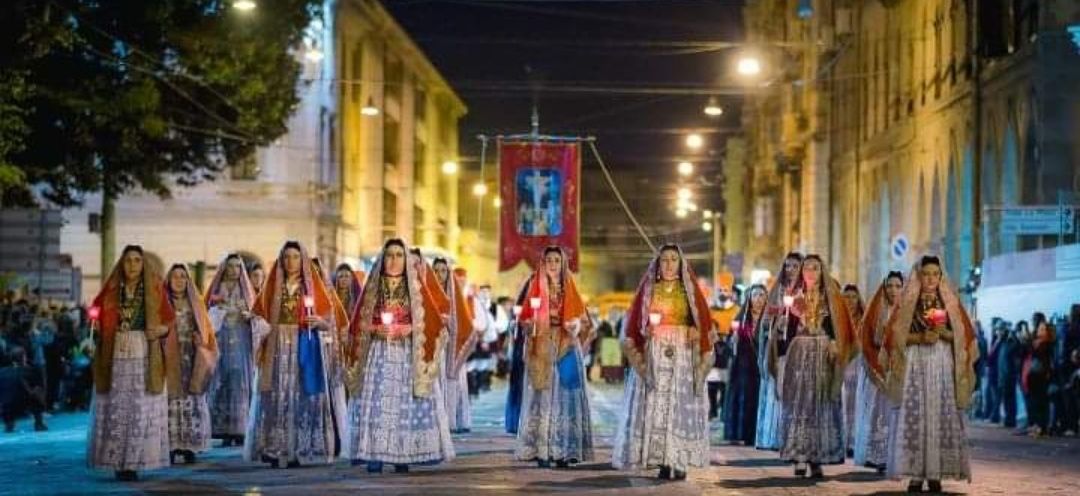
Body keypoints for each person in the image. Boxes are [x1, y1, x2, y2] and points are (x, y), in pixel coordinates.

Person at [345, 239, 455, 473]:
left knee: (405, 404)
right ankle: (373, 453)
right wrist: (375, 329)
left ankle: (402, 454)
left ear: (406, 260)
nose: (394, 260)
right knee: (376, 403)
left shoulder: (415, 288)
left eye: (399, 255)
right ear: (382, 259)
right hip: (378, 353)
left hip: (406, 353)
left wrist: (410, 329)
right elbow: (357, 324)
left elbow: (434, 324)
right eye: (389, 255)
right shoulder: (373, 287)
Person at [612, 245, 716, 479]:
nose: (669, 264)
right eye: (665, 260)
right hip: (655, 352)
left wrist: (695, 331)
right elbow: (635, 324)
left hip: (683, 354)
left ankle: (679, 460)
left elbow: (702, 321)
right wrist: (646, 330)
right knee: (656, 403)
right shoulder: (650, 289)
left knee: (679, 405)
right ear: (658, 264)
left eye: (673, 259)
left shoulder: (688, 290)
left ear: (680, 264)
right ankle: (661, 459)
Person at [875, 255, 977, 493]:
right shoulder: (907, 302)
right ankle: (915, 473)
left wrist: (944, 334)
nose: (930, 279)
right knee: (916, 412)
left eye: (935, 274)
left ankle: (936, 473)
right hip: (915, 363)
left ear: (940, 276)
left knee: (939, 413)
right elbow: (896, 338)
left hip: (941, 363)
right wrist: (919, 337)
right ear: (919, 276)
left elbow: (962, 336)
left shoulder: (950, 302)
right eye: (926, 274)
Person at [244, 241, 349, 468]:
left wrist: (319, 321)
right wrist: (258, 323)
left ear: (303, 261)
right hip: (277, 347)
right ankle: (275, 448)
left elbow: (329, 318)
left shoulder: (312, 287)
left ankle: (298, 449)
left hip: (303, 343)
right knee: (276, 396)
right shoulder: (273, 286)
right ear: (281, 260)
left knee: (300, 396)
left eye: (295, 257)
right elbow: (258, 313)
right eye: (287, 257)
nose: (291, 262)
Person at [87, 245, 175, 481]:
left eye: (137, 260)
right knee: (117, 406)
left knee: (140, 407)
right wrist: (95, 326)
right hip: (115, 351)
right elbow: (94, 313)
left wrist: (161, 330)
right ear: (122, 263)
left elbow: (169, 320)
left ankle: (135, 460)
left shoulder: (154, 288)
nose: (132, 265)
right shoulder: (111, 289)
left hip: (143, 350)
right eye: (128, 261)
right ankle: (117, 460)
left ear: (143, 264)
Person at [769, 254, 854, 478]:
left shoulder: (831, 298)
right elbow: (784, 331)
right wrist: (784, 323)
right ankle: (799, 456)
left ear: (821, 271)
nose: (810, 272)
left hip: (823, 353)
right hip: (800, 352)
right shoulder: (793, 296)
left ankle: (817, 457)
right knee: (799, 404)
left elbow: (838, 325)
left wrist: (834, 343)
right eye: (806, 268)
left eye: (815, 268)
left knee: (821, 402)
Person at [516, 246, 595, 469]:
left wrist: (575, 325)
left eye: (556, 261)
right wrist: (529, 325)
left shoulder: (570, 287)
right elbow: (525, 318)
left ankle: (565, 450)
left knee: (567, 395)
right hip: (542, 346)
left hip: (566, 344)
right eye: (549, 260)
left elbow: (584, 321)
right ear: (543, 263)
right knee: (542, 396)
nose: (552, 264)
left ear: (563, 264)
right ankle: (542, 450)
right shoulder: (535, 287)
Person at [164, 264, 219, 464]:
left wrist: (202, 341)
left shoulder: (196, 303)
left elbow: (207, 331)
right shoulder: (163, 303)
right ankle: (171, 445)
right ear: (168, 280)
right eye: (175, 276)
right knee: (170, 401)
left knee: (191, 400)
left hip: (191, 358)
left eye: (183, 277)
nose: (179, 280)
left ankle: (189, 445)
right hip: (169, 358)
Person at [205, 253, 257, 447]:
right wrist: (217, 310)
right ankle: (222, 428)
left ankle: (240, 428)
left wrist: (249, 314)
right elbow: (206, 312)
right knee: (221, 379)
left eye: (237, 266)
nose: (234, 270)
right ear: (224, 268)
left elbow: (255, 313)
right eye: (231, 266)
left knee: (240, 379)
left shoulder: (245, 290)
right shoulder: (217, 288)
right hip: (221, 338)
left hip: (241, 338)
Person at [856, 271, 904, 473]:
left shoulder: (907, 311)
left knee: (898, 412)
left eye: (898, 286)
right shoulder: (877, 312)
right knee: (880, 411)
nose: (893, 290)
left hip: (899, 369)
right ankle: (879, 455)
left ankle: (898, 455)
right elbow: (868, 339)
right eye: (890, 286)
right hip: (879, 368)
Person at [756, 252, 803, 451]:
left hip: (798, 347)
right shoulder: (778, 291)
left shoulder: (805, 291)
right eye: (787, 266)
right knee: (776, 389)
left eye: (795, 266)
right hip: (779, 348)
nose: (790, 270)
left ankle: (793, 437)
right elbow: (766, 321)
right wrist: (776, 323)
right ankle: (774, 436)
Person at [434, 260, 476, 434]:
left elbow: (464, 323)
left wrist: (448, 322)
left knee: (455, 383)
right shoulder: (428, 293)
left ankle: (454, 419)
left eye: (443, 271)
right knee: (437, 383)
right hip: (435, 346)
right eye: (436, 270)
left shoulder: (455, 296)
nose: (439, 275)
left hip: (452, 347)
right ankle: (438, 421)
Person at [724, 284, 767, 445]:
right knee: (743, 396)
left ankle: (756, 434)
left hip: (762, 363)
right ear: (749, 298)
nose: (758, 299)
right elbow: (730, 343)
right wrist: (733, 340)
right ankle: (739, 432)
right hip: (744, 364)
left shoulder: (769, 318)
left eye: (762, 295)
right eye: (755, 295)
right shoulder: (741, 318)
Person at [841, 284, 865, 456]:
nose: (850, 301)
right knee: (843, 402)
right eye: (846, 297)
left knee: (857, 403)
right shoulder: (837, 319)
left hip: (858, 363)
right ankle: (843, 439)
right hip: (843, 362)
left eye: (853, 297)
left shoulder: (864, 319)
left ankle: (854, 441)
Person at [1021, 312, 1055, 437]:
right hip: (1034, 373)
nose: (1034, 323)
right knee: (1036, 401)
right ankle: (1038, 425)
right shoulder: (1037, 338)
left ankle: (1042, 426)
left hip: (1040, 373)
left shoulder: (1045, 341)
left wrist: (1028, 341)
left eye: (1035, 320)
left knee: (1040, 401)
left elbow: (1036, 352)